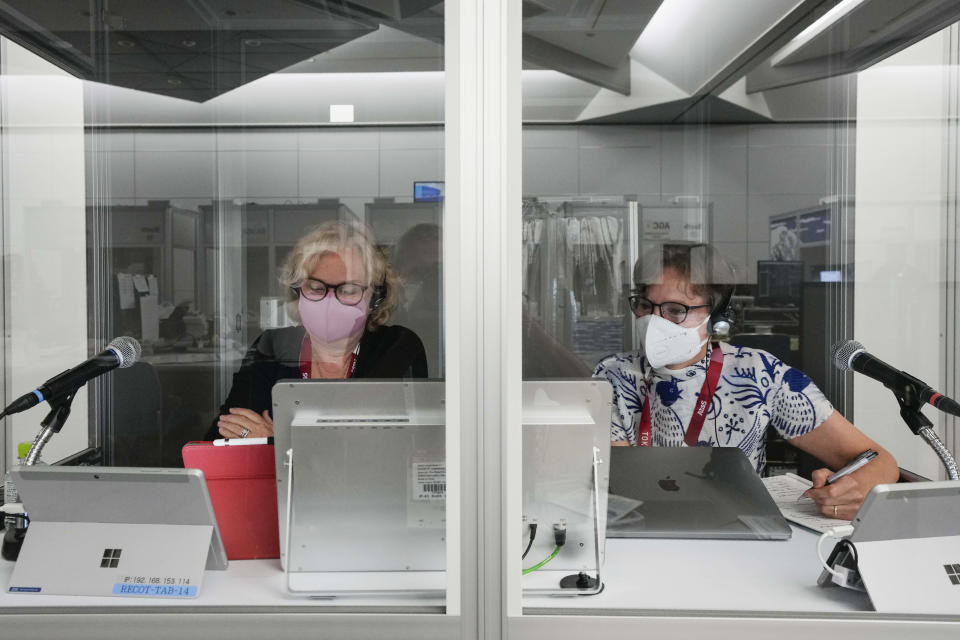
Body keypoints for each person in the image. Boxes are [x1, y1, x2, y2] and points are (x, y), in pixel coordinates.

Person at [594, 243, 899, 520]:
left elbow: (882, 462)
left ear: (715, 317)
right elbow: (616, 481)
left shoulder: (759, 373)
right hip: (642, 534)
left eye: (675, 310)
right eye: (646, 307)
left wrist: (854, 490)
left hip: (740, 535)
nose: (654, 322)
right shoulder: (613, 375)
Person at [207, 220, 428, 440]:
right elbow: (222, 435)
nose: (330, 301)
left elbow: (389, 447)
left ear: (375, 298)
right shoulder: (272, 347)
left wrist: (274, 440)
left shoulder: (396, 347)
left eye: (348, 290)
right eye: (316, 288)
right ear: (297, 292)